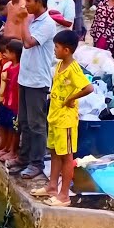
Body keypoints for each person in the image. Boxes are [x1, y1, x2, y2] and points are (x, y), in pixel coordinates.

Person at [33, 30, 93, 207]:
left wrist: (70, 99)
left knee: (67, 156)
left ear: (66, 50)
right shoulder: (59, 65)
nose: (54, 50)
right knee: (54, 151)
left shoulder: (74, 69)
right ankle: (52, 186)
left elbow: (88, 88)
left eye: (57, 47)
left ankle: (64, 195)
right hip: (55, 116)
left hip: (66, 120)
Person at [7, 0, 58, 180]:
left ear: (39, 2)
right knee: (24, 122)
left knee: (37, 124)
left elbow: (28, 42)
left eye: (28, 1)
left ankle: (36, 163)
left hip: (38, 81)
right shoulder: (34, 20)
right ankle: (24, 157)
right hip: (25, 78)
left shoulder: (46, 24)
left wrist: (25, 22)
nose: (25, 4)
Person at [0, 40, 22, 161]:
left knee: (13, 128)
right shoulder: (8, 66)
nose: (5, 53)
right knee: (3, 123)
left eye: (8, 52)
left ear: (15, 54)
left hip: (15, 103)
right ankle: (3, 145)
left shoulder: (20, 68)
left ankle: (12, 150)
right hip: (5, 101)